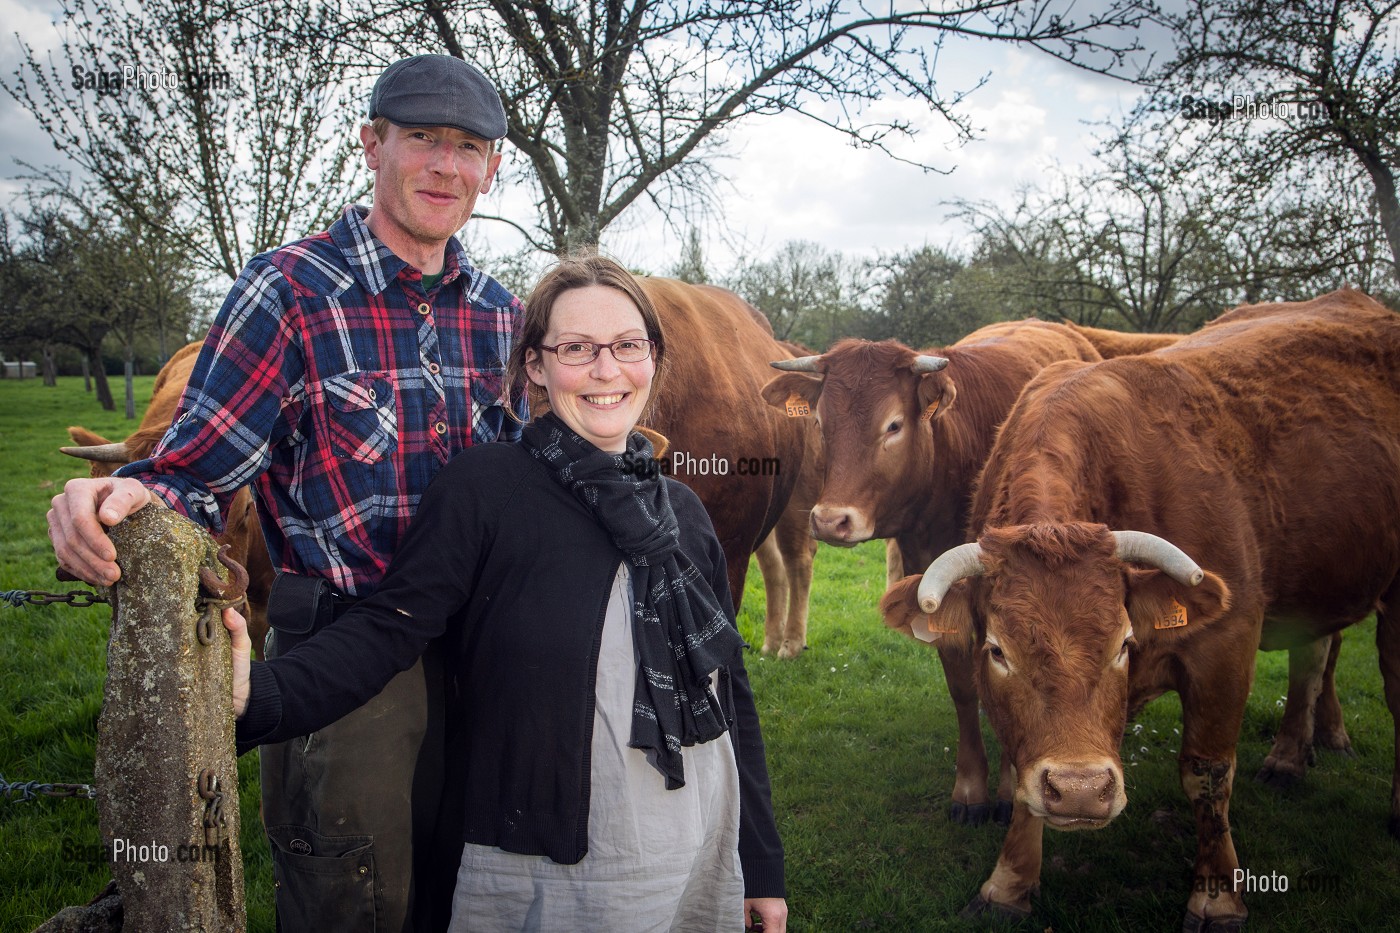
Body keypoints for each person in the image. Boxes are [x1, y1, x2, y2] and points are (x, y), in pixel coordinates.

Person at [47, 54, 521, 932]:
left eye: (470, 147)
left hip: (481, 659)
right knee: (355, 894)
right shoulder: (290, 290)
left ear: (493, 168)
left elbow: (535, 485)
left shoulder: (504, 315)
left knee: (470, 890)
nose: (446, 165)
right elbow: (192, 470)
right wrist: (108, 496)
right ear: (373, 145)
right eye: (423, 139)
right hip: (345, 668)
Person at [223, 255, 790, 932]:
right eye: (576, 348)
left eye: (627, 345)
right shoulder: (485, 491)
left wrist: (762, 865)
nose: (606, 369)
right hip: (545, 860)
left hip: (690, 833)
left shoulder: (681, 509)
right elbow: (386, 629)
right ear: (535, 367)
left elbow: (730, 692)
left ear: (654, 359)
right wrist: (258, 695)